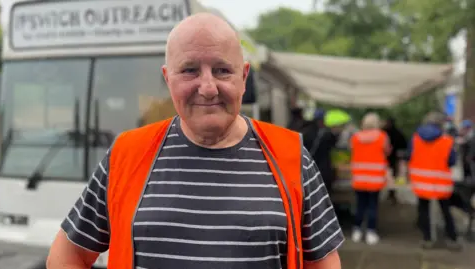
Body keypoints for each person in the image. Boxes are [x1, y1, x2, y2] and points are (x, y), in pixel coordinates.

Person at [46, 13, 344, 269]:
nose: (208, 87)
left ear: (243, 77)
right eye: (189, 70)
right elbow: (67, 254)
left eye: (222, 70)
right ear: (168, 78)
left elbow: (324, 262)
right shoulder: (126, 154)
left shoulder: (290, 155)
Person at [407, 111, 461, 250]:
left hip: (421, 182)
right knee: (445, 210)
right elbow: (452, 161)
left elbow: (409, 156)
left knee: (423, 209)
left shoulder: (415, 138)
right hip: (440, 182)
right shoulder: (447, 141)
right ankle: (452, 237)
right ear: (441, 124)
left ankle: (427, 238)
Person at [350, 112, 390, 245]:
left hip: (359, 178)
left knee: (360, 205)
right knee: (373, 206)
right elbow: (387, 152)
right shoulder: (382, 137)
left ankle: (357, 231)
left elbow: (352, 151)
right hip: (375, 179)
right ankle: (371, 232)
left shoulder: (355, 137)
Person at [383, 116, 407, 204]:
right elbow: (404, 144)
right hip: (394, 158)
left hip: (385, 158)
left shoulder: (383, 132)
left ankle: (391, 193)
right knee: (392, 175)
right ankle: (392, 193)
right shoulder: (398, 132)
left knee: (388, 176)